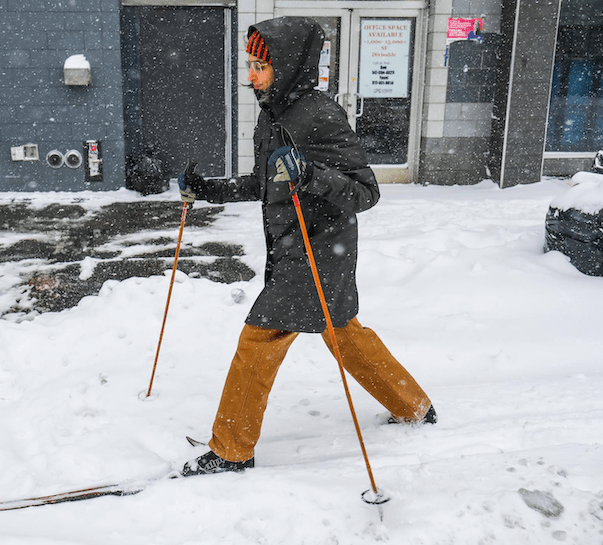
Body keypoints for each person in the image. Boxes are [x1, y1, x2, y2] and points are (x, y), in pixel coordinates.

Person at [178, 17, 435, 476]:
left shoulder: (319, 114)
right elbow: (267, 182)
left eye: (261, 65)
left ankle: (232, 449)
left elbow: (366, 192)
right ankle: (413, 406)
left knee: (259, 339)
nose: (251, 76)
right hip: (294, 248)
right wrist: (210, 190)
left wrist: (311, 178)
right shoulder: (273, 112)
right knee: (343, 333)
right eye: (250, 65)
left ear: (290, 65)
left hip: (319, 251)